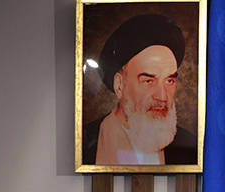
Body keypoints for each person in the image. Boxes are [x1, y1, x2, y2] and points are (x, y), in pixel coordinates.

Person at [82, 13, 197, 166]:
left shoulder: (189, 149)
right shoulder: (85, 142)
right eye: (148, 81)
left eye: (169, 81)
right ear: (119, 85)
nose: (162, 96)